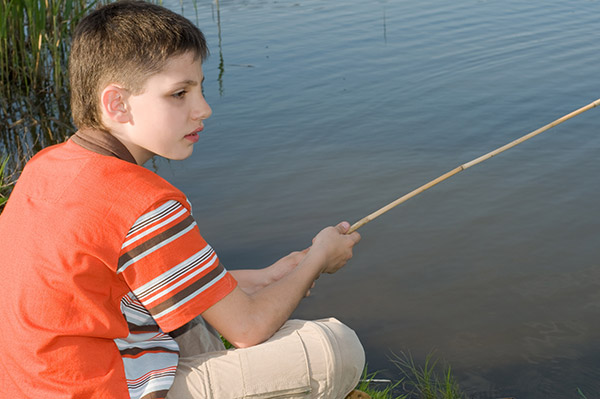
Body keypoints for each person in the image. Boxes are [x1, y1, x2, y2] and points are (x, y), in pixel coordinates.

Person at [0, 1, 366, 398]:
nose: (203, 109)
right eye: (179, 94)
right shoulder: (142, 202)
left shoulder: (44, 165)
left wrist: (268, 278)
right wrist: (317, 260)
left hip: (27, 384)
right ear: (117, 104)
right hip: (96, 388)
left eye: (200, 88)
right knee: (335, 346)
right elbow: (248, 329)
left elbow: (134, 292)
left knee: (195, 315)